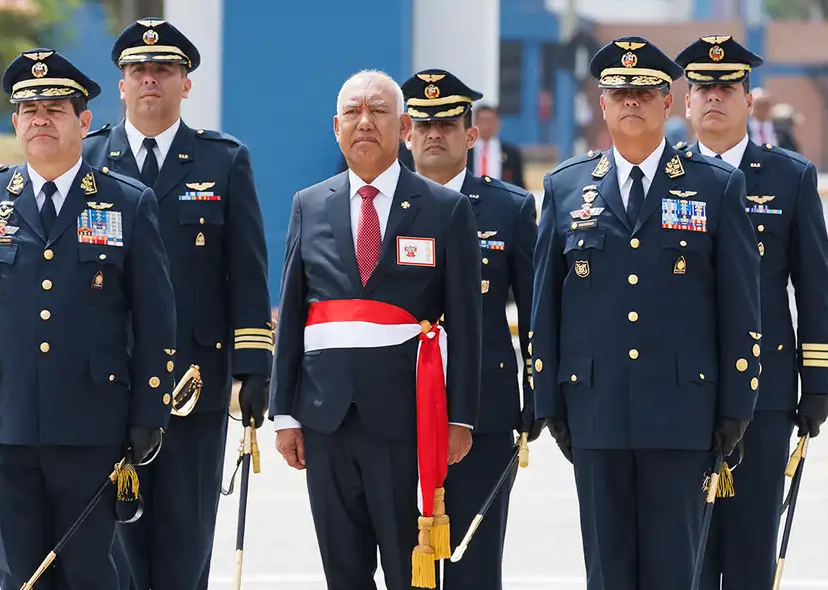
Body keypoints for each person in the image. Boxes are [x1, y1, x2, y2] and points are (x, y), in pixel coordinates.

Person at [0, 48, 176, 590]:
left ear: (84, 121)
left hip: (93, 425)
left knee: (91, 572)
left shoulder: (125, 203)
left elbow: (157, 317)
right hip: (5, 423)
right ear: (16, 122)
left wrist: (149, 410)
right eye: (29, 109)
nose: (41, 118)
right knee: (22, 573)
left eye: (56, 108)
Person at [530, 35, 762, 590]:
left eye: (646, 91)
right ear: (602, 105)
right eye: (618, 91)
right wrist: (549, 403)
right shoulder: (565, 188)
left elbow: (739, 305)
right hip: (595, 413)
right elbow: (545, 307)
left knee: (672, 571)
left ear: (667, 102)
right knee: (606, 574)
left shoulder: (716, 187)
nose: (631, 100)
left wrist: (735, 407)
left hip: (682, 414)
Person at [268, 69, 482, 590]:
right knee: (343, 569)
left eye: (379, 112)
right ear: (335, 127)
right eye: (353, 113)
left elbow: (468, 323)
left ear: (404, 127)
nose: (365, 123)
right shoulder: (309, 204)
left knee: (408, 567)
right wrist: (284, 413)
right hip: (325, 417)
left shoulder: (445, 209)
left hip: (406, 417)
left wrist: (462, 418)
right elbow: (293, 312)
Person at [82, 17, 272, 590]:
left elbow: (247, 273)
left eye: (164, 70)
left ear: (185, 83)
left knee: (185, 545)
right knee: (114, 547)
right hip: (105, 384)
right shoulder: (87, 161)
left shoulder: (223, 161)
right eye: (138, 70)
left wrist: (254, 369)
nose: (150, 81)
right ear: (120, 83)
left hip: (193, 384)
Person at [675, 35, 828, 590]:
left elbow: (813, 286)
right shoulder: (665, 179)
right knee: (690, 550)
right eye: (702, 88)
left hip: (765, 392)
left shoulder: (789, 177)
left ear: (749, 100)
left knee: (751, 549)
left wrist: (817, 383)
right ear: (687, 103)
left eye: (727, 87)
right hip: (684, 389)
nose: (714, 97)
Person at [401, 68, 544, 589]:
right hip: (397, 408)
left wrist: (538, 389)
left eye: (448, 123)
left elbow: (534, 308)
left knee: (474, 560)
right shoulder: (377, 206)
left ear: (471, 134)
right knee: (405, 557)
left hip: (483, 410)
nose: (435, 132)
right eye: (423, 123)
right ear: (406, 134)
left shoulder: (510, 207)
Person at [469, 106, 526, 188]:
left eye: (490, 121)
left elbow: (519, 184)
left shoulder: (511, 153)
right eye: (482, 121)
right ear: (475, 123)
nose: (486, 126)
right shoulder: (465, 151)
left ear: (498, 123)